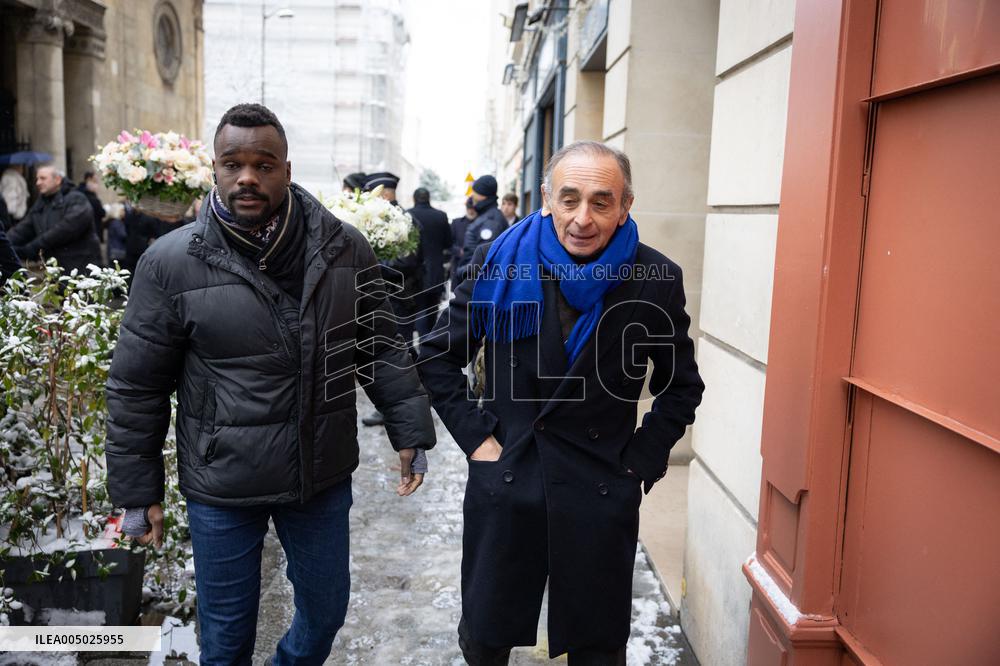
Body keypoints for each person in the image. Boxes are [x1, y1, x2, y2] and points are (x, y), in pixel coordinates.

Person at [105, 103, 436, 665]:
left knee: (326, 611)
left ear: (287, 168)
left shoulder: (344, 247)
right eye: (233, 164)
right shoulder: (169, 263)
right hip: (223, 483)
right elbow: (137, 385)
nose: (248, 177)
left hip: (320, 472)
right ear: (215, 168)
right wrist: (139, 493)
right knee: (227, 634)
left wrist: (411, 430)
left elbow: (378, 344)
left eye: (264, 163)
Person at [418, 141, 705, 664]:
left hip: (598, 489)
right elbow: (437, 356)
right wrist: (479, 441)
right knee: (486, 640)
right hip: (509, 480)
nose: (582, 218)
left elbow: (681, 386)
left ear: (625, 207)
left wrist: (638, 462)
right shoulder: (499, 262)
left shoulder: (655, 279)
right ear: (547, 198)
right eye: (569, 199)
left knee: (596, 645)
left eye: (601, 201)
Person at [8, 165, 101, 274]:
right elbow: (22, 229)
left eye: (43, 178)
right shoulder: (41, 204)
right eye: (37, 179)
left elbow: (65, 229)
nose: (38, 183)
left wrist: (32, 248)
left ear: (57, 180)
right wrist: (5, 243)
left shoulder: (76, 199)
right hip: (55, 271)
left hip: (80, 271)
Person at [407, 187, 451, 338]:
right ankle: (430, 342)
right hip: (436, 271)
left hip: (415, 271)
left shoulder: (407, 215)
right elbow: (448, 243)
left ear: (414, 199)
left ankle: (424, 343)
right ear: (429, 198)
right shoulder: (441, 216)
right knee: (433, 309)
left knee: (419, 309)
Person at [454, 174, 508, 280]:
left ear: (483, 195)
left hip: (478, 284)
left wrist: (461, 272)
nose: (472, 195)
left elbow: (484, 260)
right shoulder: (487, 215)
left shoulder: (491, 221)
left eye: (474, 191)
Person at [449, 197, 477, 288]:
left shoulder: (481, 223)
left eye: (473, 208)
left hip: (475, 266)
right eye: (469, 208)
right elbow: (448, 243)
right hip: (458, 264)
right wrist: (458, 251)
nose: (471, 211)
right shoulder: (456, 223)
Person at [77, 170, 106, 241]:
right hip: (89, 233)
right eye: (94, 181)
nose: (96, 184)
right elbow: (101, 212)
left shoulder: (90, 194)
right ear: (88, 179)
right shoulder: (83, 195)